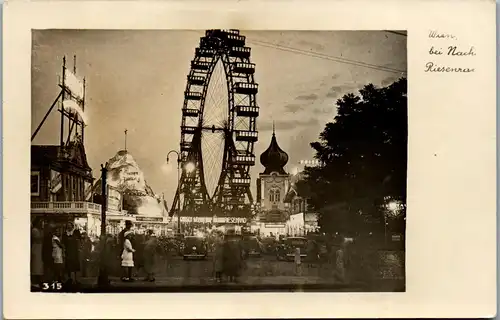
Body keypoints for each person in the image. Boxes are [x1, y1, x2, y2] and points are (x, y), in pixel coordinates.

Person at [31, 218, 44, 288]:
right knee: (35, 265)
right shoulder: (35, 230)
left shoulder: (38, 230)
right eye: (40, 222)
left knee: (38, 265)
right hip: (36, 248)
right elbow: (39, 238)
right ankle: (34, 281)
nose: (42, 223)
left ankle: (37, 281)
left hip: (39, 248)